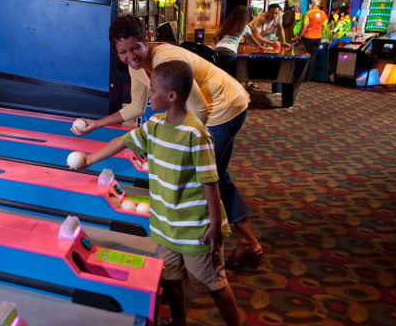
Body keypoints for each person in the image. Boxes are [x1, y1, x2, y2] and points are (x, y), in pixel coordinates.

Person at [68, 60, 261, 326]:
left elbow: (210, 183)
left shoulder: (195, 133)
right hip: (165, 220)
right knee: (170, 275)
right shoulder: (155, 124)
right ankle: (180, 324)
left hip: (196, 225)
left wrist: (215, 225)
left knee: (211, 281)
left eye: (153, 89)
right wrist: (89, 159)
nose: (148, 94)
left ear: (172, 96)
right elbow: (123, 141)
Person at [72, 15, 263, 271]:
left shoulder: (166, 59)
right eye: (123, 52)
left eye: (135, 48)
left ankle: (202, 253)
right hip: (213, 107)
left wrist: (181, 145)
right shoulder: (136, 68)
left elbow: (200, 109)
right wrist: (96, 124)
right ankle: (248, 244)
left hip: (224, 106)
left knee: (197, 179)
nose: (131, 57)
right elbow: (136, 108)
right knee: (217, 176)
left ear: (147, 39)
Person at [213, 6, 267, 77]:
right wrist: (261, 46)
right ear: (245, 16)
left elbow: (215, 36)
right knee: (232, 76)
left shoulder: (227, 24)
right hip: (230, 51)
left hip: (217, 49)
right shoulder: (245, 27)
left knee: (219, 75)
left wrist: (218, 46)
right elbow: (253, 40)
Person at [297, 0, 328, 82]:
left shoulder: (308, 13)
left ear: (311, 4)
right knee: (312, 57)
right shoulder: (323, 14)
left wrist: (299, 37)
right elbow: (324, 26)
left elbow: (304, 26)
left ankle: (301, 76)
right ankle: (308, 77)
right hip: (317, 38)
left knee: (303, 57)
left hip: (307, 37)